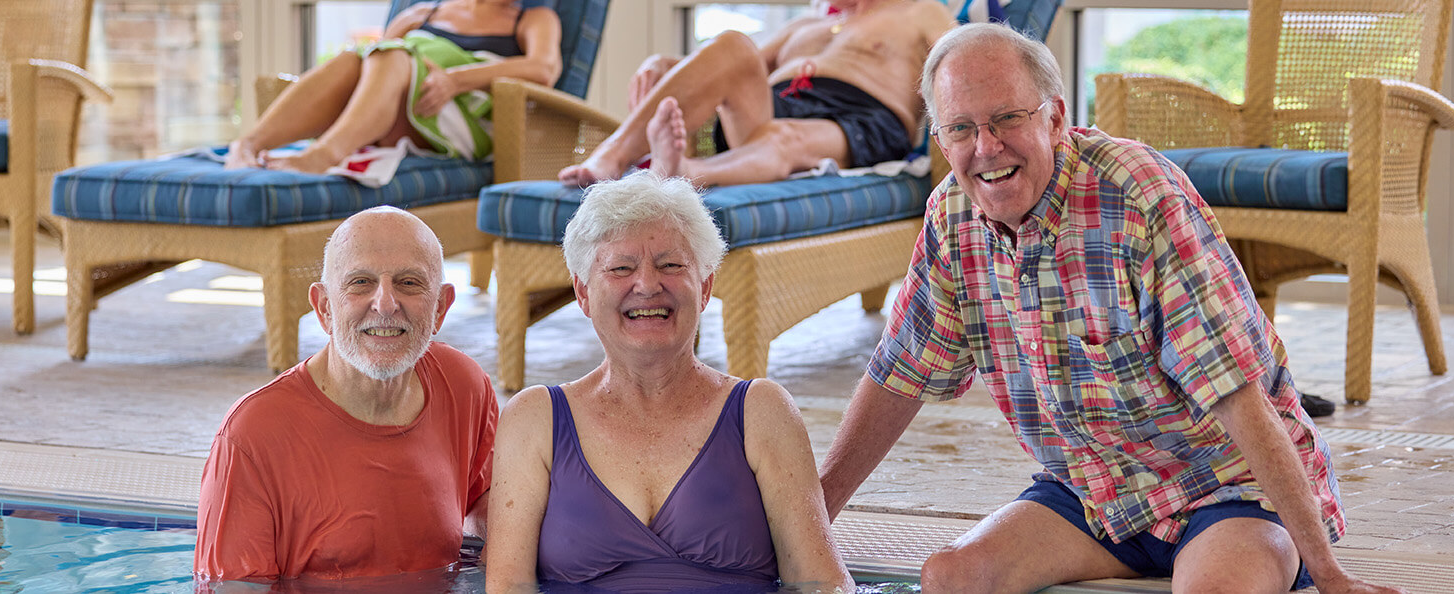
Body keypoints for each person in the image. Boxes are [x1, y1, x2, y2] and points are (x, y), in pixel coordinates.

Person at [814, 24, 1406, 594]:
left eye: (1007, 119)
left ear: (1054, 117)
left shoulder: (1139, 195)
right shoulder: (951, 217)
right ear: (941, 142)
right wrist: (808, 532)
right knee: (952, 578)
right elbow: (900, 376)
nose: (986, 147)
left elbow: (1238, 392)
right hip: (1093, 496)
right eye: (962, 128)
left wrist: (1329, 575)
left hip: (1226, 490)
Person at [483, 172, 852, 594]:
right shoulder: (534, 420)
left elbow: (823, 584)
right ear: (582, 292)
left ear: (706, 285)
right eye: (621, 267)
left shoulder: (762, 412)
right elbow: (508, 587)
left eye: (671, 265)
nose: (647, 285)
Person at [194, 207, 499, 583]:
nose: (386, 303)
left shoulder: (465, 385)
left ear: (440, 308)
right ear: (324, 307)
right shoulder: (253, 436)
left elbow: (485, 498)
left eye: (408, 282)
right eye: (360, 282)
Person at [557, 0, 954, 187]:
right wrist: (665, 63)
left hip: (859, 117)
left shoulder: (920, 10)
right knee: (733, 44)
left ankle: (688, 173)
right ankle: (614, 155)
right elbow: (731, 66)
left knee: (783, 138)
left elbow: (957, 63)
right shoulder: (810, 22)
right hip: (773, 107)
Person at [223, 0, 562, 173]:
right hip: (395, 111)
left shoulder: (532, 18)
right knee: (352, 60)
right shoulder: (421, 13)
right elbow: (374, 71)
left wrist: (455, 79)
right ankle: (248, 144)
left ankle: (323, 155)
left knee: (393, 54)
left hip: (462, 119)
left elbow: (544, 69)